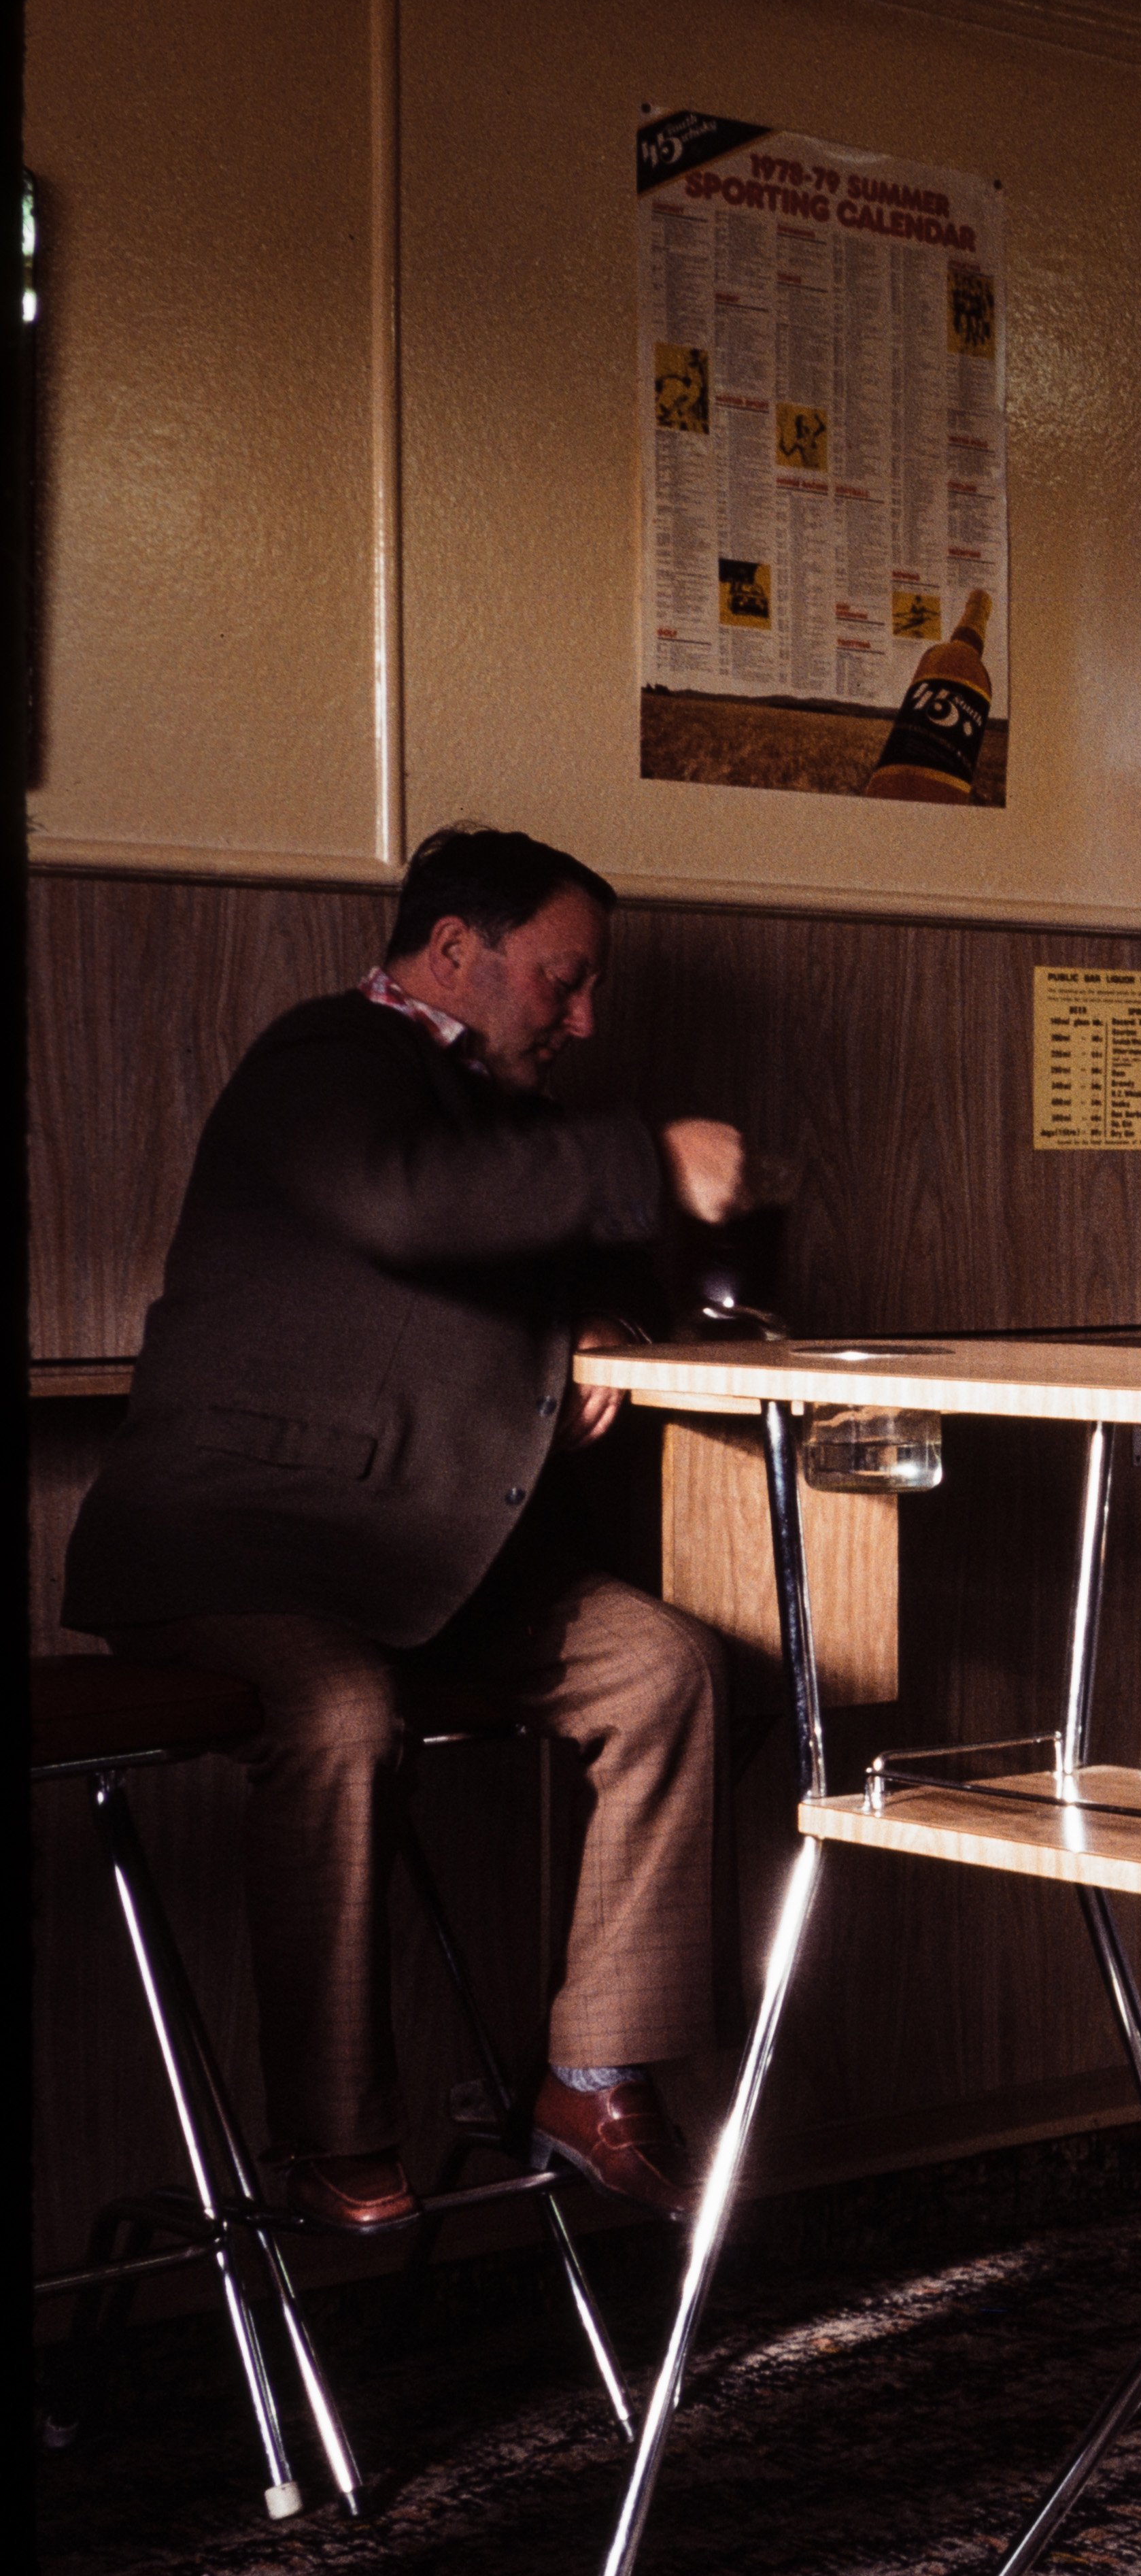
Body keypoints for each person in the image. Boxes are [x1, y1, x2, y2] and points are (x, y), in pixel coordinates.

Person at [64, 827, 755, 2234]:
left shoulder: (508, 1107)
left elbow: (542, 1256)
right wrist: (645, 1156)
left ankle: (592, 2075)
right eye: (563, 982)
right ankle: (331, 2132)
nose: (586, 1017)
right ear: (454, 952)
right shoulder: (322, 1059)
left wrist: (603, 1327)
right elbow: (405, 1206)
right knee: (338, 1708)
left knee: (668, 1669)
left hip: (431, 1556)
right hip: (238, 1546)